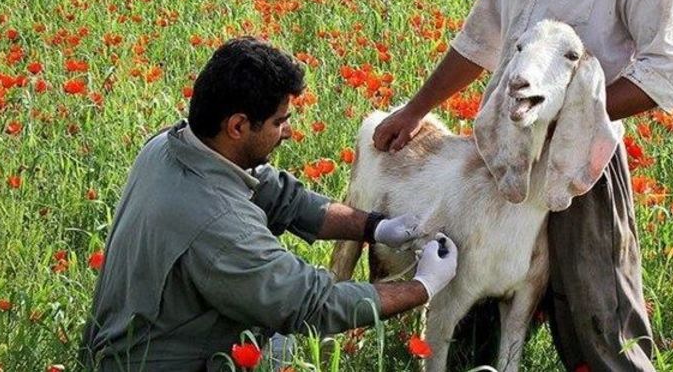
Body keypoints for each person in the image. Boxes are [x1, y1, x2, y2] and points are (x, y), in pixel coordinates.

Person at [372, 0, 673, 370]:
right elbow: (481, 39)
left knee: (596, 311)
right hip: (499, 152)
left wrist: (567, 118)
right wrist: (416, 109)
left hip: (575, 164)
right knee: (467, 294)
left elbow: (667, 73)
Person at [80, 37, 459, 371]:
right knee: (290, 338)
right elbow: (314, 305)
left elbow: (283, 197)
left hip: (135, 341)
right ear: (238, 126)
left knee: (280, 342)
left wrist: (375, 226)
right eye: (279, 121)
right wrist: (423, 286)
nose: (289, 131)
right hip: (159, 362)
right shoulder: (220, 225)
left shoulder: (169, 146)